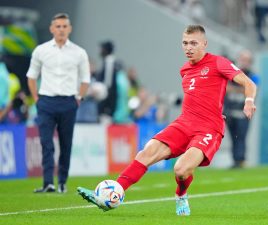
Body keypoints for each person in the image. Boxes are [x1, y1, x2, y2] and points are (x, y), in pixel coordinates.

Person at [77, 25, 257, 216]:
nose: (188, 47)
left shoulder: (218, 62)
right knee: (147, 152)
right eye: (185, 43)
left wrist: (248, 101)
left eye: (193, 43)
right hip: (183, 124)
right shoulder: (185, 69)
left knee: (181, 170)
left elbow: (248, 83)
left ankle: (181, 194)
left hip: (208, 129)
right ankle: (113, 193)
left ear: (204, 44)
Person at [26, 13, 90, 193]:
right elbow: (31, 76)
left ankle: (62, 181)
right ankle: (48, 182)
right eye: (58, 26)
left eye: (64, 26)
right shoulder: (41, 50)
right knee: (46, 143)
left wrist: (78, 99)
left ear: (69, 29)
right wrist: (37, 99)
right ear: (51, 29)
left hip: (69, 102)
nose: (61, 30)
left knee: (66, 143)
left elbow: (85, 79)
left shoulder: (79, 52)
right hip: (46, 101)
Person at [224, 50, 259, 169]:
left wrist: (241, 88)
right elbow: (225, 88)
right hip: (229, 111)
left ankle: (241, 160)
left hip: (243, 112)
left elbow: (253, 89)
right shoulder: (232, 73)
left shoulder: (253, 75)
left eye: (247, 60)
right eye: (242, 59)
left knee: (241, 136)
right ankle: (235, 160)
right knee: (233, 137)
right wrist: (244, 88)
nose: (244, 62)